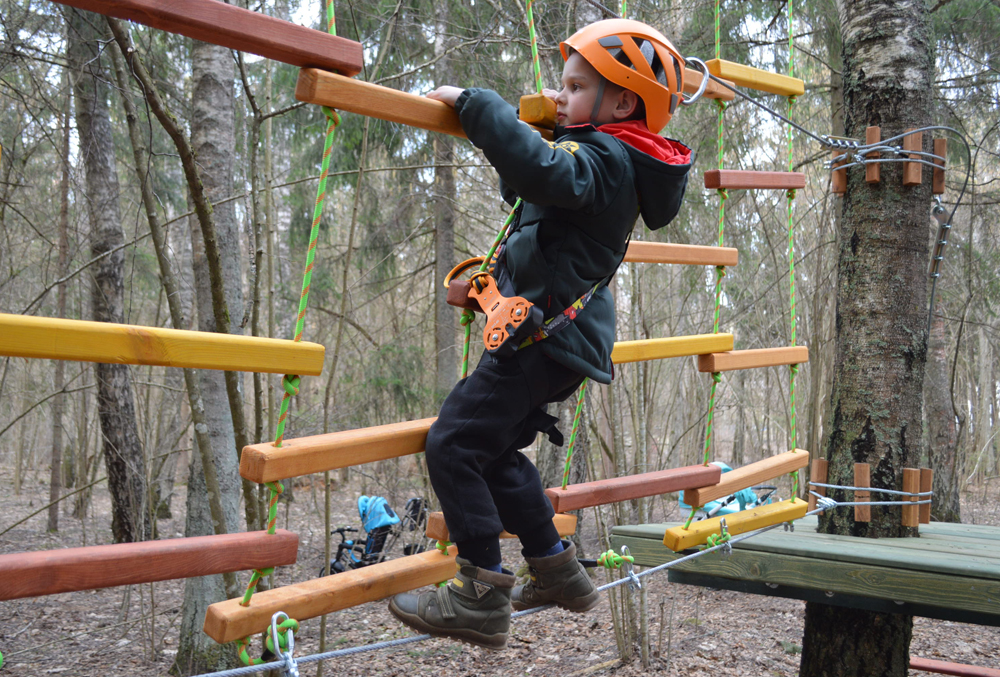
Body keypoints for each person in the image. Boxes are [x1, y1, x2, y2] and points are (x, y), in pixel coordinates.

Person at [388, 19, 693, 650]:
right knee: (494, 453)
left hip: (542, 340)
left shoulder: (609, 158)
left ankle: (477, 596)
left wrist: (478, 107)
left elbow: (546, 173)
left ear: (622, 102)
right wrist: (531, 140)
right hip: (553, 342)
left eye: (575, 87)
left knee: (452, 445)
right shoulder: (605, 161)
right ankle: (557, 570)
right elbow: (533, 190)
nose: (561, 97)